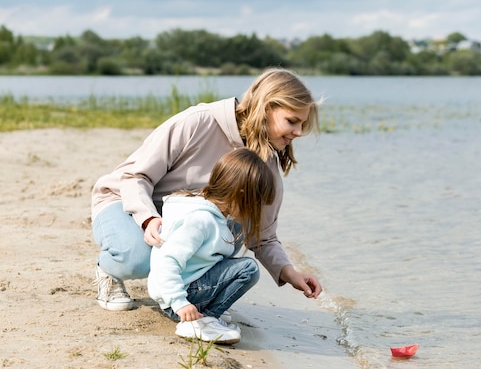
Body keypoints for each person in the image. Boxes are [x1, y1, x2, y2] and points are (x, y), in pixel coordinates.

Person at [91, 67, 323, 313]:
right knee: (138, 260)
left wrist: (289, 273)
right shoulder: (199, 120)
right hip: (127, 202)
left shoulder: (266, 165)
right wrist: (148, 218)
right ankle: (108, 270)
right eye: (292, 121)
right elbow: (136, 175)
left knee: (234, 230)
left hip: (185, 219)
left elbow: (262, 235)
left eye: (302, 124)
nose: (298, 132)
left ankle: (184, 296)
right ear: (266, 108)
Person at [148, 148, 275, 344]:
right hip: (180, 299)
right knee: (248, 269)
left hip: (182, 291)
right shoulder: (201, 220)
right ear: (241, 195)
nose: (256, 211)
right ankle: (205, 319)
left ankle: (206, 315)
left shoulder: (208, 212)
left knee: (232, 252)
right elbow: (167, 261)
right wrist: (180, 303)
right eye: (256, 204)